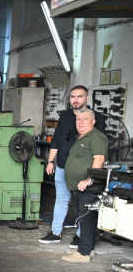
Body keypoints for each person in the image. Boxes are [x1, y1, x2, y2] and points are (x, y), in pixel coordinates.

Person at [41, 85, 107, 246]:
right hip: (62, 166)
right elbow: (56, 139)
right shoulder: (65, 116)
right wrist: (50, 161)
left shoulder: (96, 117)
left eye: (79, 96)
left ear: (87, 98)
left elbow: (99, 149)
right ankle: (55, 232)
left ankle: (80, 235)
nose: (75, 100)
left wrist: (91, 176)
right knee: (61, 200)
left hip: (83, 171)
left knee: (82, 204)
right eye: (73, 97)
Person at [61, 109, 108, 262]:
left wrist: (89, 180)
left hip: (89, 188)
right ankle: (88, 248)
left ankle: (83, 254)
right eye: (78, 119)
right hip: (78, 188)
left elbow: (99, 160)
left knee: (86, 220)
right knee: (83, 219)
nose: (80, 122)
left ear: (93, 122)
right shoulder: (80, 138)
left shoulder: (96, 137)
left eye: (84, 119)